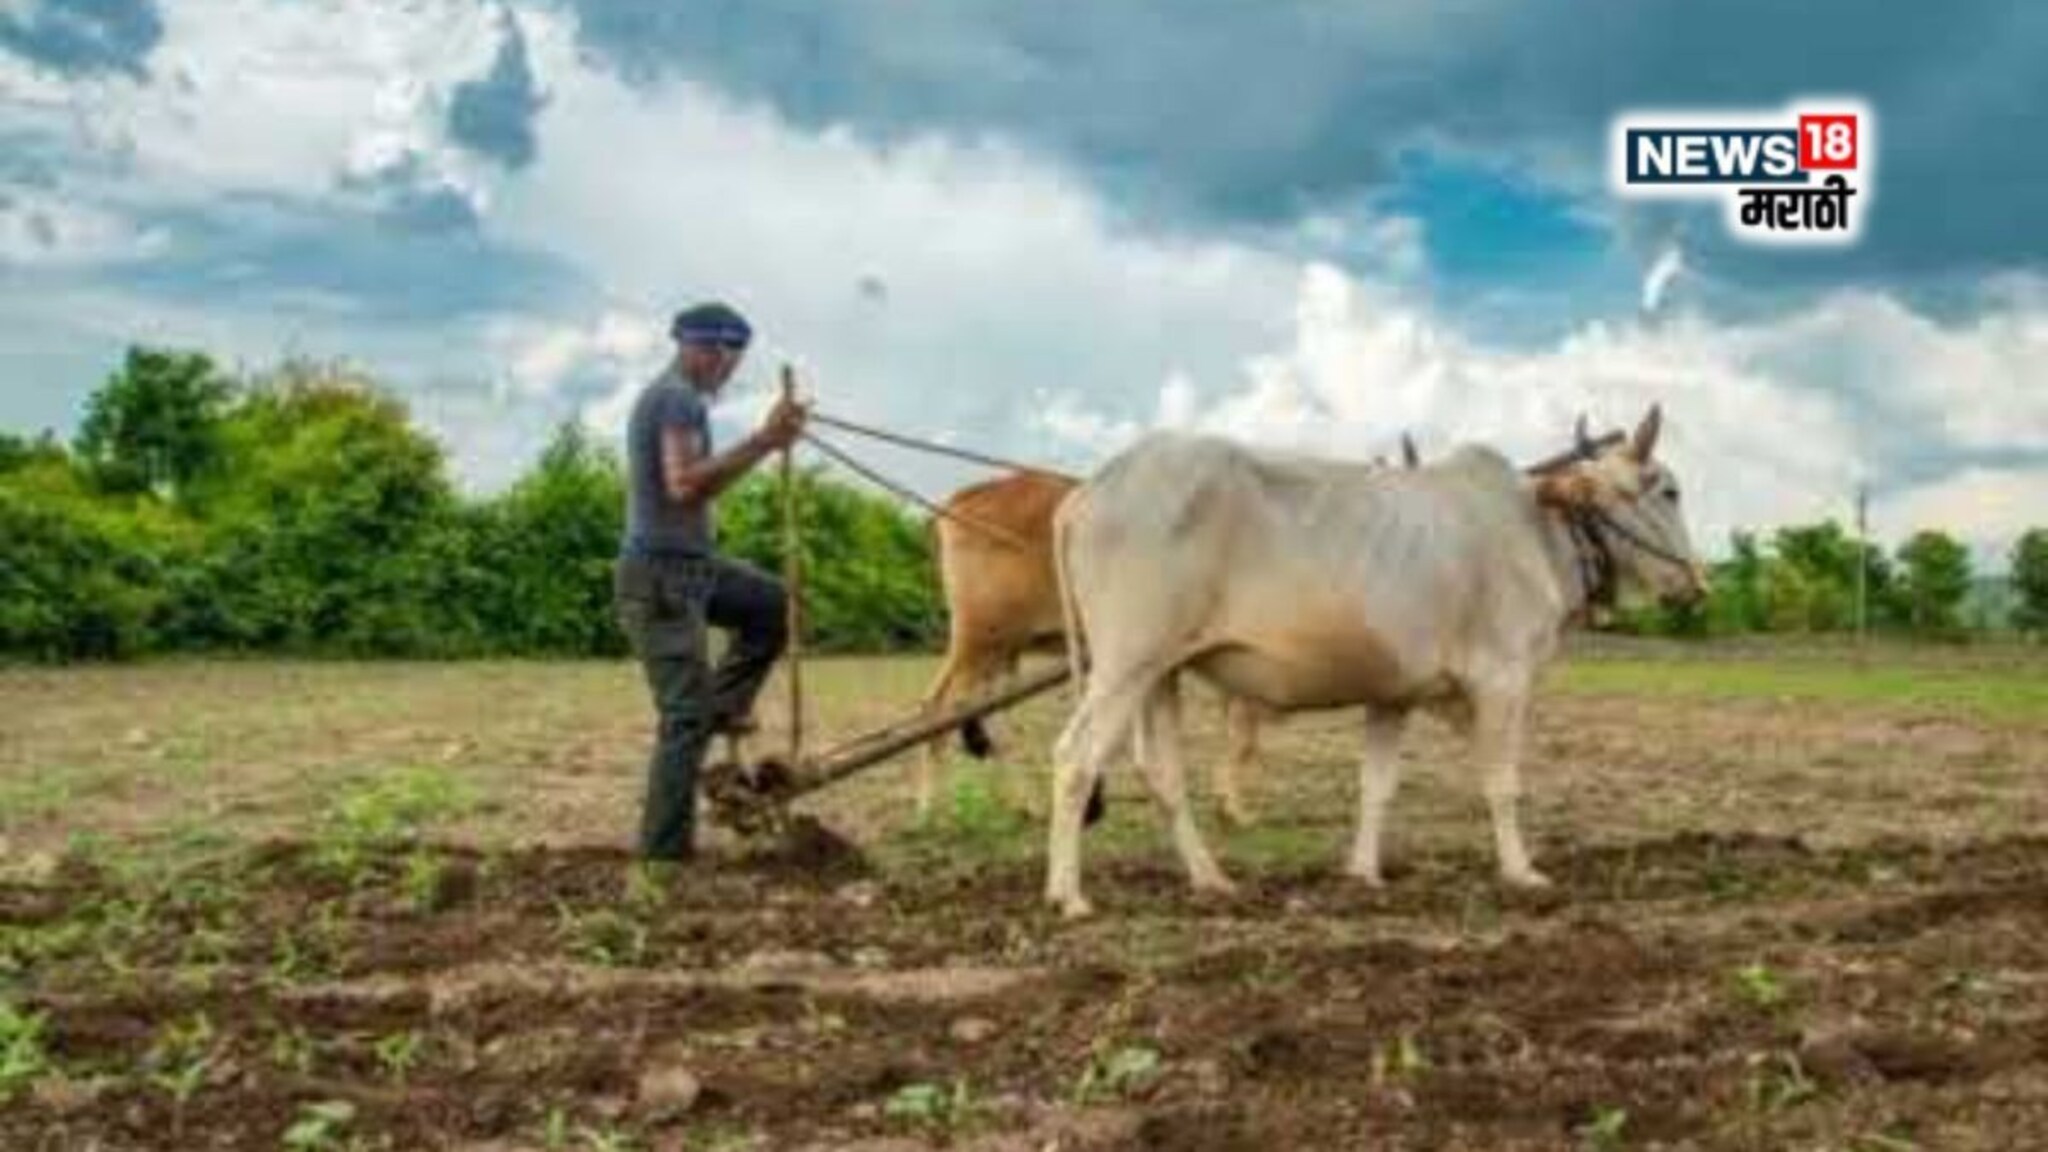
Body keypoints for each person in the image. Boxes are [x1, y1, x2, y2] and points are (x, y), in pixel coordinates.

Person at [614, 301, 807, 861]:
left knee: (773, 606)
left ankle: (721, 707)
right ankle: (662, 858)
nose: (730, 366)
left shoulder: (685, 397)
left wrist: (767, 442)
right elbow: (684, 486)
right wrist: (766, 442)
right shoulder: (675, 397)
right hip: (660, 576)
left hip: (691, 567)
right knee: (683, 719)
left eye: (737, 355)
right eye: (725, 353)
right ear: (699, 348)